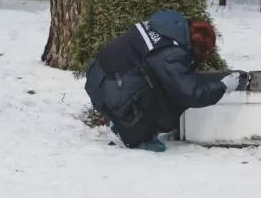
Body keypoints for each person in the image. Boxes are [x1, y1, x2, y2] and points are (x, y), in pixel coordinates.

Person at [84, 9, 244, 152]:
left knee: (162, 86)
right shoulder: (171, 54)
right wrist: (223, 87)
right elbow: (191, 94)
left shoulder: (167, 27)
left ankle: (122, 114)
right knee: (171, 110)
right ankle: (135, 133)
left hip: (97, 78)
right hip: (109, 93)